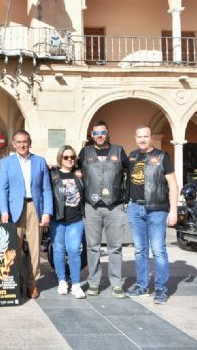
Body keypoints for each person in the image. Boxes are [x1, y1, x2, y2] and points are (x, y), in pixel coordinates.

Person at [126, 125, 178, 304]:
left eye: (145, 136)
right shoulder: (132, 156)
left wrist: (173, 210)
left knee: (158, 250)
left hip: (157, 210)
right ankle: (142, 286)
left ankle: (161, 289)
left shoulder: (162, 157)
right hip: (134, 208)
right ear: (135, 138)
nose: (142, 139)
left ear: (151, 138)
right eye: (139, 136)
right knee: (140, 250)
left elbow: (173, 185)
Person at [0, 130, 52, 299]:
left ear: (30, 142)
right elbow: (2, 188)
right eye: (18, 142)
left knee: (35, 249)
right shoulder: (6, 162)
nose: (22, 145)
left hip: (35, 207)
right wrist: (4, 210)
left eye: (25, 141)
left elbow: (46, 189)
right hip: (14, 209)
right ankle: (18, 280)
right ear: (14, 144)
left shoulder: (40, 161)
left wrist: (47, 212)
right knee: (16, 248)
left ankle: (32, 284)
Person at [78, 120, 129, 298]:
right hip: (91, 206)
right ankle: (94, 282)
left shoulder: (119, 151)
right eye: (96, 133)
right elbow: (75, 172)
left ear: (108, 133)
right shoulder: (84, 152)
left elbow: (130, 175)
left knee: (115, 247)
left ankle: (116, 283)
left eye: (102, 133)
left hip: (114, 205)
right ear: (91, 135)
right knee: (92, 247)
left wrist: (126, 199)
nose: (99, 136)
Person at [50, 145, 85, 299]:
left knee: (74, 250)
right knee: (58, 250)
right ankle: (62, 281)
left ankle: (76, 284)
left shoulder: (79, 174)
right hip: (57, 219)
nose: (70, 160)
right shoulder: (52, 174)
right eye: (66, 157)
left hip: (76, 219)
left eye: (72, 157)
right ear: (60, 159)